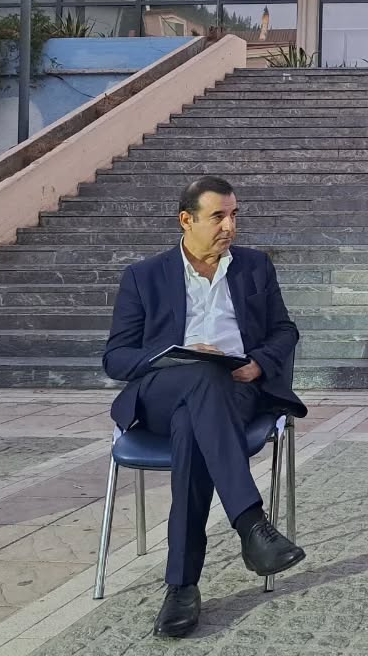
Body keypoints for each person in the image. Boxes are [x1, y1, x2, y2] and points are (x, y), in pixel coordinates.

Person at [102, 176, 308, 638]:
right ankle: (251, 523)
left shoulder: (254, 267)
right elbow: (116, 357)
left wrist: (258, 363)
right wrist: (173, 356)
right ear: (186, 219)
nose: (229, 226)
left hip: (236, 390)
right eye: (218, 216)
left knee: (194, 423)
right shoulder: (144, 276)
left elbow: (285, 330)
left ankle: (182, 587)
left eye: (234, 215)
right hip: (162, 392)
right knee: (199, 375)